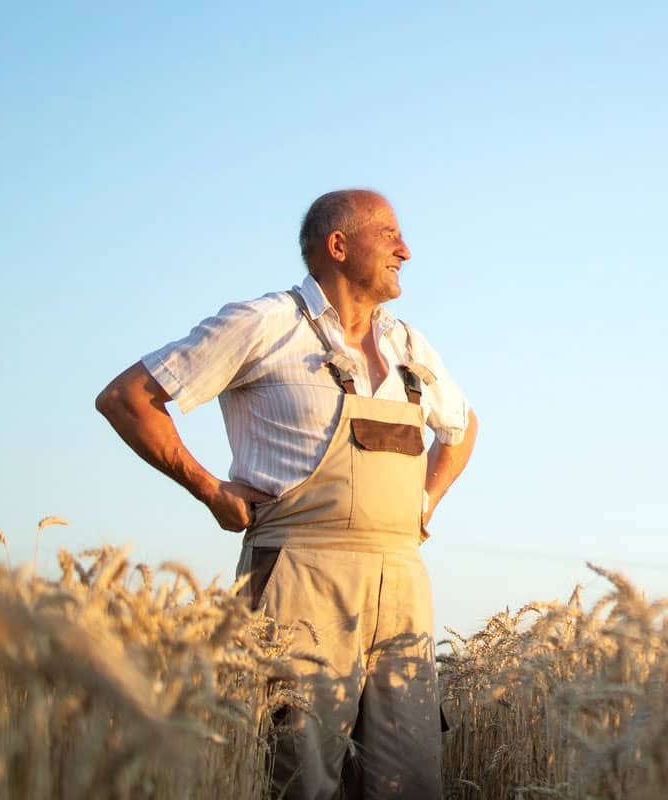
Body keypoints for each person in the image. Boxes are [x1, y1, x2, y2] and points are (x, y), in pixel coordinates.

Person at [94, 188, 479, 799]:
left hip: (403, 584)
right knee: (296, 772)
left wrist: (424, 503)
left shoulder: (408, 344)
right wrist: (208, 489)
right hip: (298, 577)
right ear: (338, 245)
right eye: (389, 234)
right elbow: (127, 399)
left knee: (409, 779)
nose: (405, 250)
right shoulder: (263, 323)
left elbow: (461, 428)